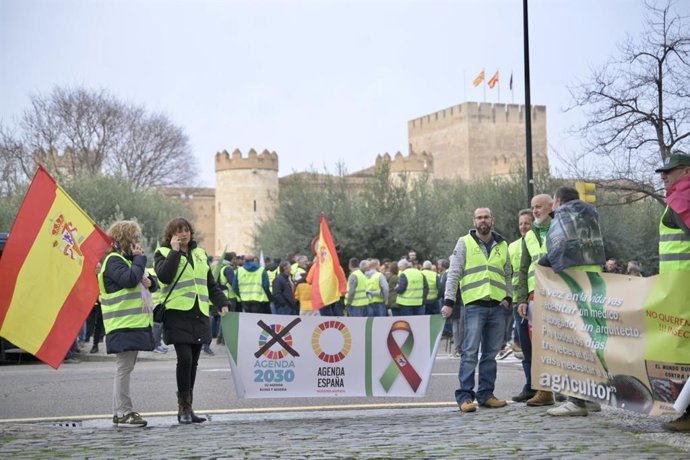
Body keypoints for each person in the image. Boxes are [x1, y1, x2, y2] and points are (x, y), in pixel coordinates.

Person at [155, 217, 230, 424]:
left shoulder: (199, 254)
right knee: (185, 359)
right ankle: (183, 408)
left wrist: (222, 302)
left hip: (199, 314)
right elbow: (165, 277)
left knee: (194, 362)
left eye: (186, 230)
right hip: (177, 314)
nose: (183, 234)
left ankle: (188, 408)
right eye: (178, 231)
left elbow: (210, 283)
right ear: (170, 235)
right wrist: (175, 252)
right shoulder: (162, 253)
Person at [541, 187, 606, 417]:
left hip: (572, 282)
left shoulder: (564, 215)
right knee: (590, 340)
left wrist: (544, 262)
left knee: (573, 342)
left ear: (558, 200)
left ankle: (576, 401)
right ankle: (590, 398)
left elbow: (560, 244)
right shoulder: (590, 214)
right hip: (593, 279)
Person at [441, 207, 511, 413]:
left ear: (492, 220)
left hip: (497, 306)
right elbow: (454, 273)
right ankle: (465, 396)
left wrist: (508, 296)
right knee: (470, 352)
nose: (483, 220)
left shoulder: (502, 244)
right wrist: (448, 301)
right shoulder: (464, 243)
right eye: (479, 217)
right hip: (474, 306)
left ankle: (486, 394)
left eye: (486, 217)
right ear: (474, 221)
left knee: (490, 354)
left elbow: (507, 273)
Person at [98, 220, 157, 428]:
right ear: (124, 238)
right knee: (123, 368)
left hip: (130, 324)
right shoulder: (114, 261)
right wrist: (140, 259)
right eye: (134, 237)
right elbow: (131, 279)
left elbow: (146, 279)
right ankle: (123, 412)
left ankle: (119, 412)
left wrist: (152, 282)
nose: (137, 241)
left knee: (125, 367)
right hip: (122, 324)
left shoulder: (125, 260)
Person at [655, 151, 690, 432]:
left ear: (686, 172)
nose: (664, 175)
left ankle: (687, 414)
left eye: (670, 170)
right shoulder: (678, 197)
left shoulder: (683, 198)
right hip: (677, 288)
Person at [514, 196, 555, 406]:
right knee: (537, 345)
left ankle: (572, 391)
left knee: (559, 343)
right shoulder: (529, 236)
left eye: (538, 207)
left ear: (551, 206)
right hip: (533, 296)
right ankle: (543, 390)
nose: (535, 210)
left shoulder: (558, 228)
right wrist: (521, 298)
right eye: (533, 207)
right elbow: (523, 269)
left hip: (557, 294)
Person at [500, 209, 534, 362]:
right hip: (517, 301)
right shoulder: (512, 247)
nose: (523, 226)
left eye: (527, 223)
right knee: (524, 345)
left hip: (535, 297)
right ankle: (529, 382)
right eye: (521, 223)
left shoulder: (539, 243)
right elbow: (507, 273)